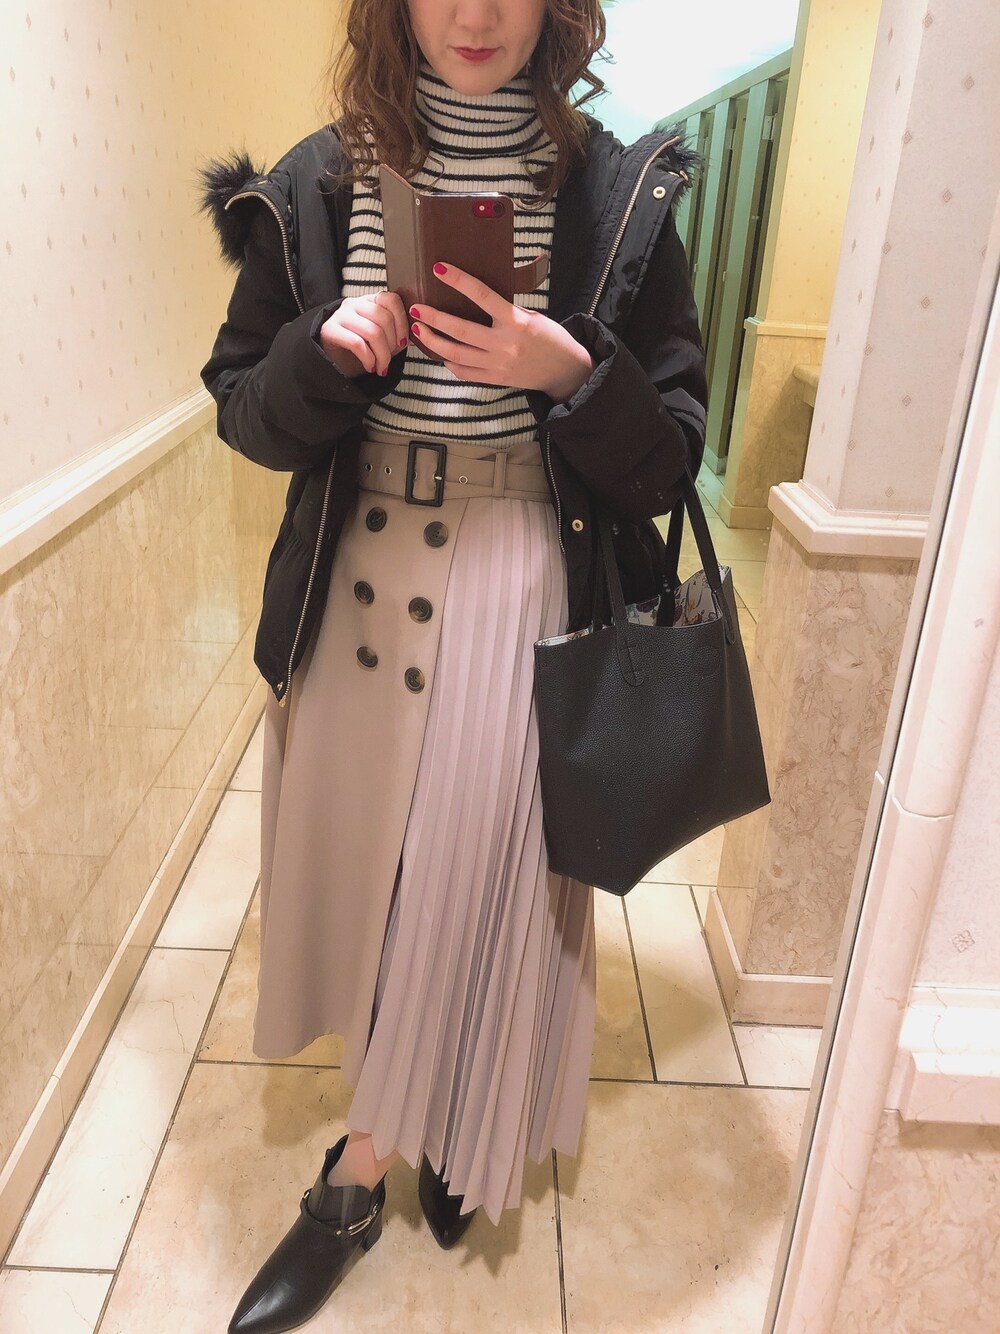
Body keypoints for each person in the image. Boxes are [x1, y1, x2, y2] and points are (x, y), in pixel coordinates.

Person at [198, 1, 707, 1329]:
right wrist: (321, 356)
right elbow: (244, 407)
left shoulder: (617, 188)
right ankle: (419, 1125)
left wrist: (569, 373)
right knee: (379, 886)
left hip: (522, 579)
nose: (475, 14)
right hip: (356, 581)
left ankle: (370, 1167)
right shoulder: (320, 179)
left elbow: (669, 459)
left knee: (486, 881)